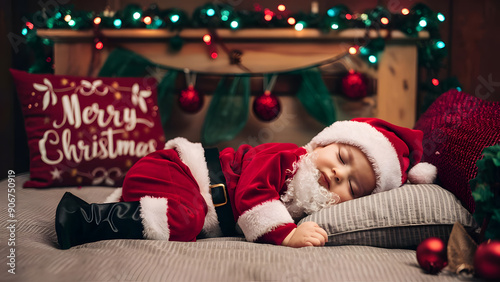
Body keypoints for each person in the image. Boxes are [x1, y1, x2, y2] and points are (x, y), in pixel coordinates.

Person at [55, 118, 437, 249]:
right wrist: (284, 235)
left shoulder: (312, 200)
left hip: (177, 186)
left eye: (352, 187)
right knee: (183, 219)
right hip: (180, 170)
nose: (339, 175)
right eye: (341, 159)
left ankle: (123, 205)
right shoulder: (287, 157)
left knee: (184, 215)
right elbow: (253, 191)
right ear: (321, 143)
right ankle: (82, 218)